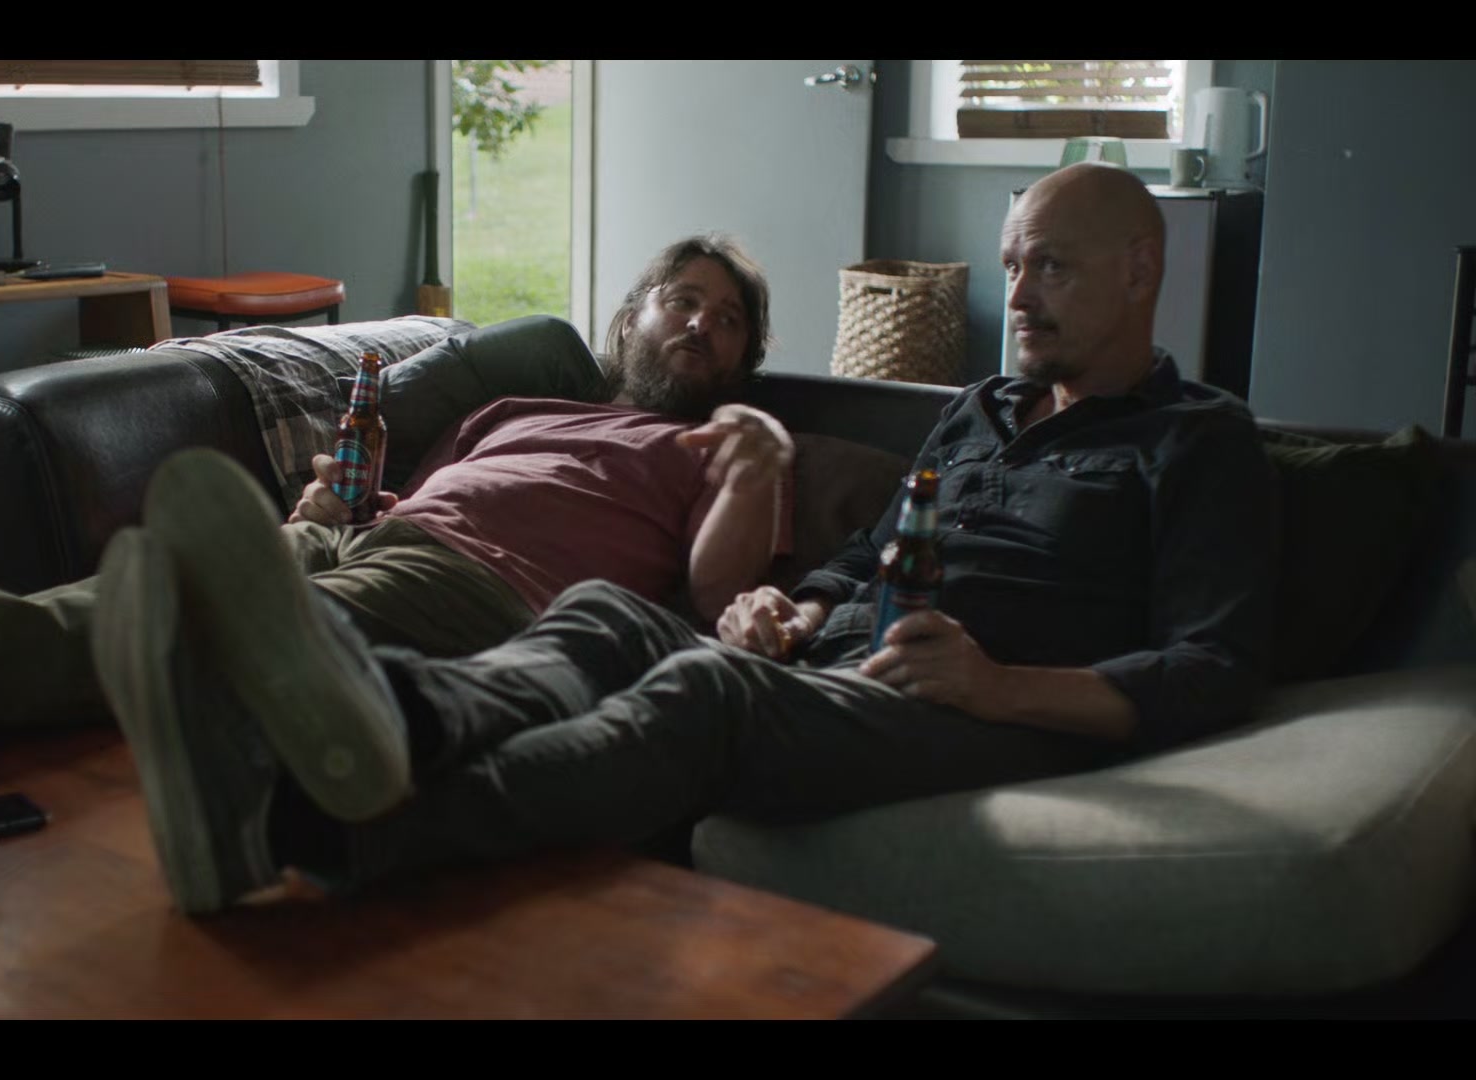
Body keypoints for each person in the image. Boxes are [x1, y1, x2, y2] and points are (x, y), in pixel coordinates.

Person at [99, 162, 1283, 916]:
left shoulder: (1198, 440)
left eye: (1052, 268)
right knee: (606, 617)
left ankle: (304, 826)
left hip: (984, 713)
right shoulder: (977, 411)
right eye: (1016, 262)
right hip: (849, 663)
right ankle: (386, 713)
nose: (1017, 296)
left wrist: (998, 685)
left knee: (706, 693)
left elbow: (1214, 668)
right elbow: (868, 554)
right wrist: (798, 604)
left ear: (1142, 272)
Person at [0, 235, 795, 779]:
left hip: (483, 591)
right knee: (163, 583)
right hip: (372, 537)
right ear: (633, 314)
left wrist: (757, 467)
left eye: (727, 320)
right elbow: (422, 494)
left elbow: (715, 596)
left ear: (747, 356)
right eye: (683, 300)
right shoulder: (519, 406)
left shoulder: (731, 450)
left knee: (212, 621)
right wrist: (331, 505)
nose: (698, 325)